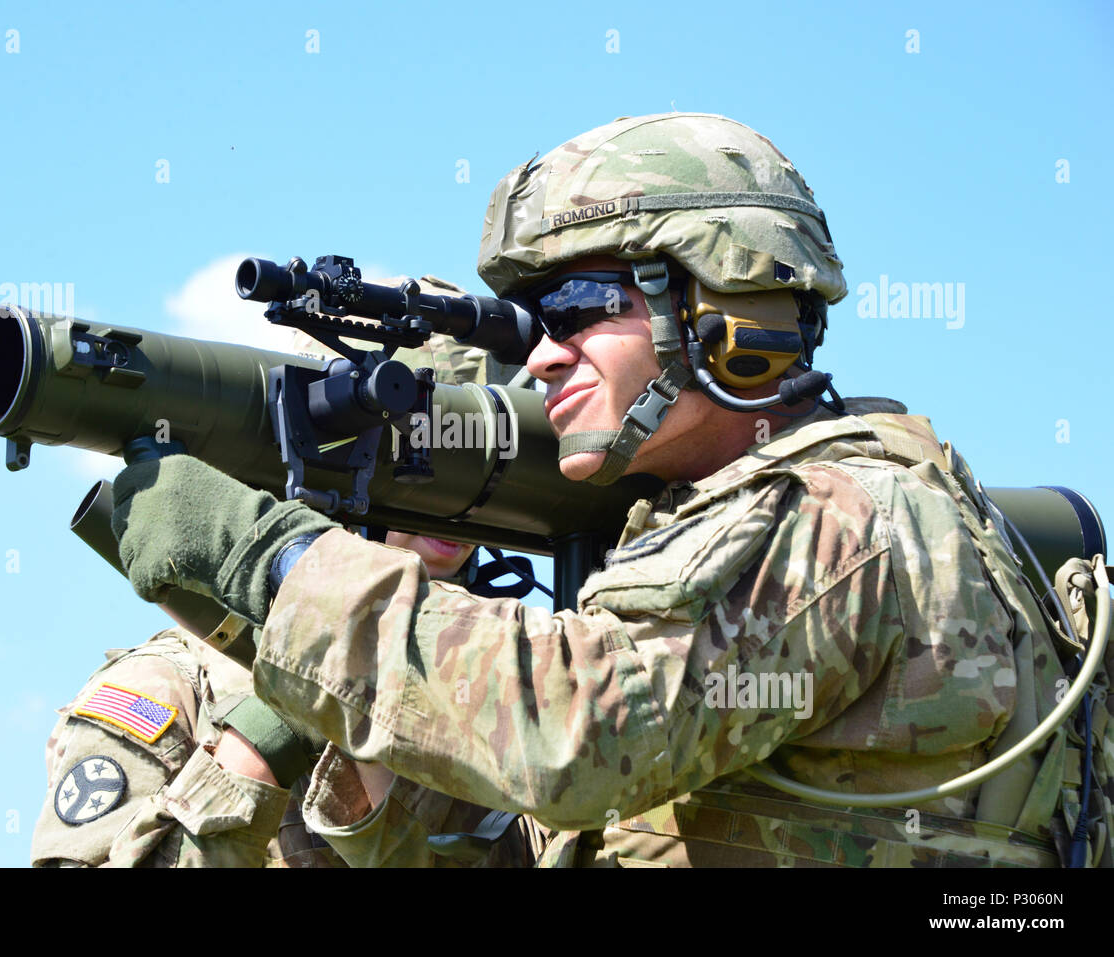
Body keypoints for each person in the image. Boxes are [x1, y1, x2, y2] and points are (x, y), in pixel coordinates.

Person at [109, 113, 1097, 867]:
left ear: (722, 301)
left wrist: (273, 563)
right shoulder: (727, 528)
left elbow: (571, 735)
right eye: (526, 319)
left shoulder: (840, 515)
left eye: (576, 308)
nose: (537, 360)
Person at [30, 304, 543, 868]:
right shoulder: (172, 686)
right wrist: (266, 736)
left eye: (477, 465)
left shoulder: (521, 678)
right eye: (419, 462)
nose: (449, 500)